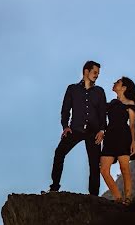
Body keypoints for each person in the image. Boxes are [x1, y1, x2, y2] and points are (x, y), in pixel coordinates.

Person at [45, 60, 107, 196]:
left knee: (94, 164)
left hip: (94, 132)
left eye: (98, 73)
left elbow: (103, 113)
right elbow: (65, 110)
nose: (97, 75)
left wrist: (102, 130)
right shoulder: (72, 89)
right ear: (86, 71)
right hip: (75, 129)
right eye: (95, 72)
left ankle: (94, 196)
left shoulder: (99, 91)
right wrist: (65, 126)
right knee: (59, 153)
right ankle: (54, 187)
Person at [100, 76, 135, 204]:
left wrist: (133, 142)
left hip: (124, 136)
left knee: (124, 168)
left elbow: (132, 125)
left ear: (124, 88)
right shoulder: (111, 103)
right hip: (109, 137)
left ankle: (128, 198)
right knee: (104, 170)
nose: (114, 83)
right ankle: (118, 197)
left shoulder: (130, 104)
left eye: (118, 82)